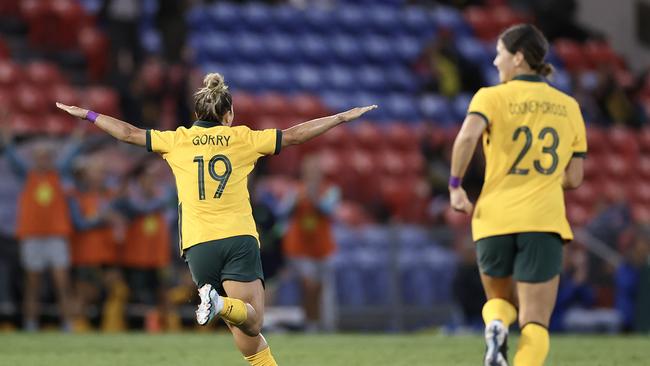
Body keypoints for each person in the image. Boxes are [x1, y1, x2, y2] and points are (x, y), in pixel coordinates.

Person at [56, 72, 376, 365]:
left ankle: (217, 303)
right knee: (253, 320)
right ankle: (219, 304)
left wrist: (89, 114)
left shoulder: (177, 139)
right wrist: (340, 117)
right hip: (237, 239)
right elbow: (294, 136)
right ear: (229, 115)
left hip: (198, 246)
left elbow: (127, 133)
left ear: (197, 114)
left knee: (249, 344)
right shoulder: (243, 139)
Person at [448, 24, 586, 366]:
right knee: (536, 322)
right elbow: (574, 178)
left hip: (494, 217)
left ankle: (495, 325)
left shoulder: (490, 96)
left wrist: (455, 186)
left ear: (519, 58)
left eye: (500, 53)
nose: (496, 62)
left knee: (500, 300)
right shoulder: (569, 106)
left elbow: (467, 138)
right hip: (542, 219)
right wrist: (546, 177)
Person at [1, 123, 83, 332]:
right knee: (33, 285)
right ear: (34, 158)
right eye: (39, 155)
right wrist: (7, 136)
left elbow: (71, 152)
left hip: (56, 237)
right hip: (33, 237)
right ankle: (31, 325)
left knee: (62, 284)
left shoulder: (58, 174)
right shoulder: (27, 175)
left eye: (47, 155)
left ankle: (68, 325)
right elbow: (12, 155)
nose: (43, 159)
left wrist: (78, 133)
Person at [281, 155, 339, 332]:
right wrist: (295, 201)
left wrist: (312, 196)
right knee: (309, 287)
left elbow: (327, 209)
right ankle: (310, 326)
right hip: (300, 251)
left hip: (323, 250)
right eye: (309, 170)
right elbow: (282, 212)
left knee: (326, 291)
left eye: (316, 170)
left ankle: (328, 327)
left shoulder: (331, 190)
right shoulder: (295, 190)